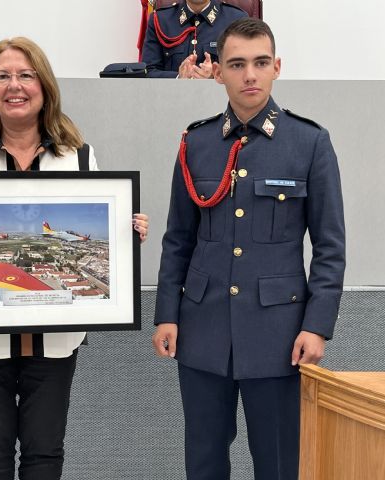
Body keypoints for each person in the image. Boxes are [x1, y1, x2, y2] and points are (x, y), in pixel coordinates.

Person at [0, 37, 149, 479]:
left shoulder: (79, 156)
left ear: (44, 87)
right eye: (2, 76)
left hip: (57, 338)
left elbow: (105, 237)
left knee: (45, 452)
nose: (14, 85)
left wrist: (126, 237)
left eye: (26, 75)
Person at [152, 18, 345, 480]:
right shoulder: (195, 143)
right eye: (237, 64)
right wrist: (167, 313)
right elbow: (179, 237)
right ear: (217, 71)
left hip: (278, 336)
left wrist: (317, 327)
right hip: (202, 332)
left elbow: (330, 246)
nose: (250, 75)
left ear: (277, 67)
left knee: (278, 464)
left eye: (260, 63)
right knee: (203, 462)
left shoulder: (309, 143)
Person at [141, 0, 246, 78]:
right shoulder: (160, 19)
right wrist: (178, 77)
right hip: (172, 100)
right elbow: (147, 71)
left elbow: (244, 69)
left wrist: (215, 76)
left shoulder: (236, 19)